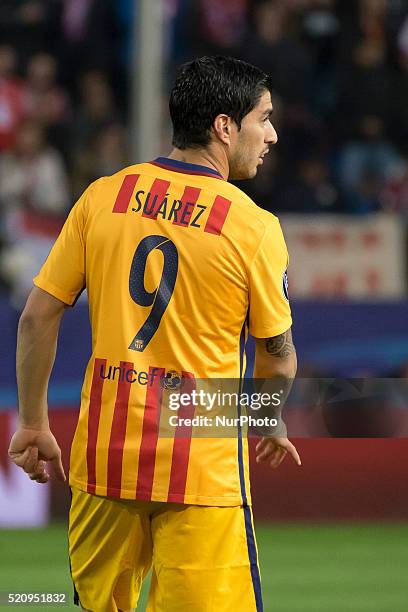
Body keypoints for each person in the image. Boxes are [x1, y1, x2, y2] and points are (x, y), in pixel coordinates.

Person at [8, 56, 301, 612]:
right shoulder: (252, 227)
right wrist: (268, 415)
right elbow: (279, 361)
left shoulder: (103, 196)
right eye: (264, 118)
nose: (272, 134)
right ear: (224, 126)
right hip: (199, 474)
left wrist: (32, 422)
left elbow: (36, 316)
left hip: (101, 461)